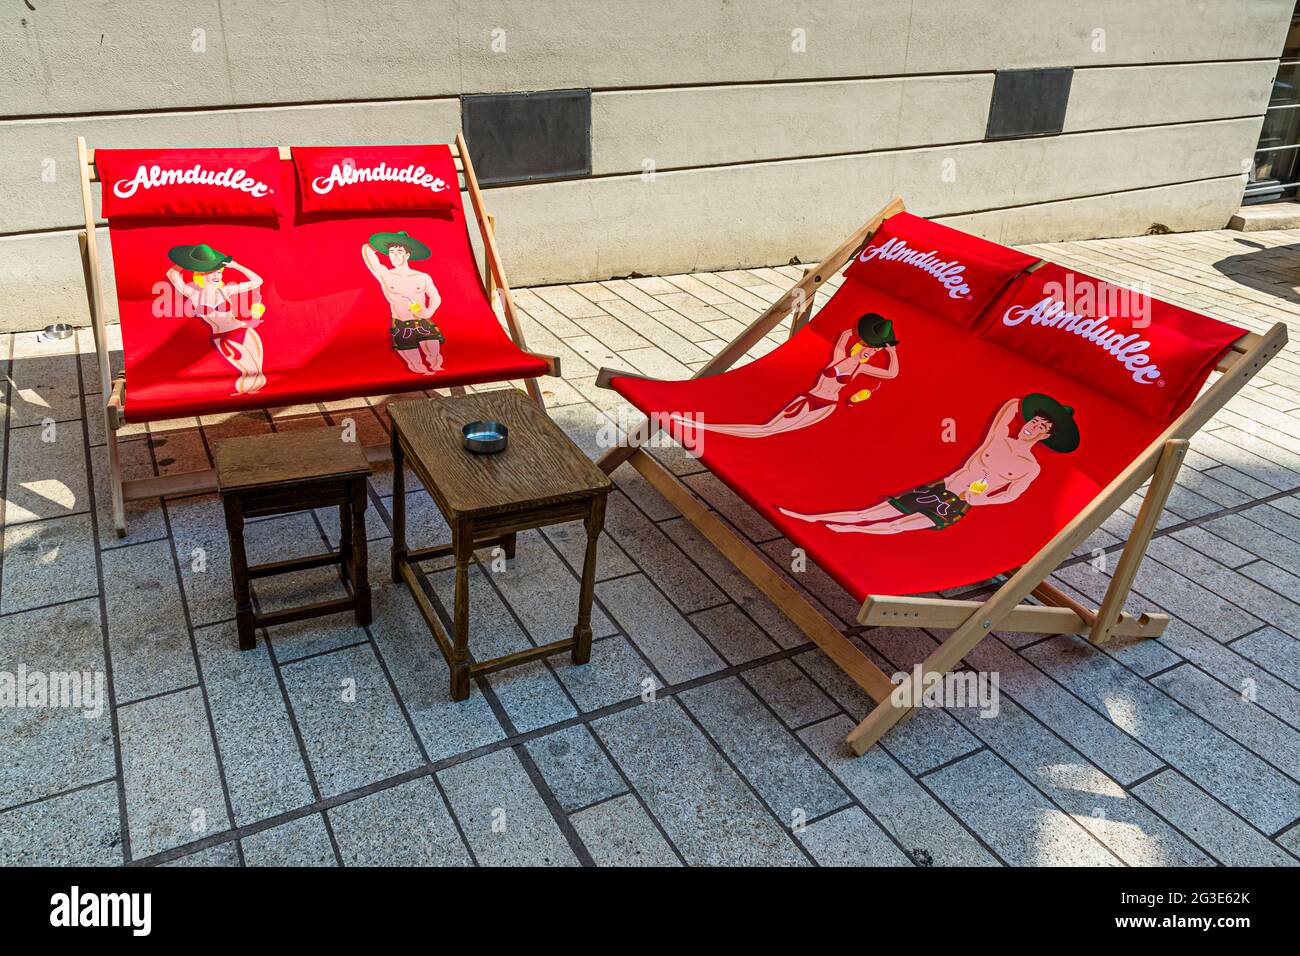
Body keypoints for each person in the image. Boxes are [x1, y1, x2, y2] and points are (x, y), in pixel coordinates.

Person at [780, 393, 1079, 534]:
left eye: (1041, 426)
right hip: (942, 487)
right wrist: (1036, 403)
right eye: (1033, 419)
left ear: (1048, 435)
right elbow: (1009, 407)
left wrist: (982, 498)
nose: (1032, 426)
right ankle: (814, 520)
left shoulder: (1030, 466)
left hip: (959, 502)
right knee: (873, 511)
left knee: (897, 525)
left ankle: (845, 531)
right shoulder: (997, 438)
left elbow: (1012, 494)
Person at [672, 314, 900, 439]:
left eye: (875, 352)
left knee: (771, 433)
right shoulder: (838, 357)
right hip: (809, 398)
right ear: (860, 344)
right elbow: (845, 334)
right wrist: (868, 332)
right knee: (766, 429)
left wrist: (891, 350)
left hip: (826, 406)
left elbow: (891, 373)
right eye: (870, 347)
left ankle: (697, 425)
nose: (871, 353)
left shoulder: (860, 369)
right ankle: (698, 425)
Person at [165, 244, 267, 395]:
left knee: (258, 372)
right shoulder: (193, 294)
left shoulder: (225, 291)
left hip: (244, 330)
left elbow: (258, 281)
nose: (216, 276)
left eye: (219, 272)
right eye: (211, 272)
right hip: (224, 338)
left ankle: (252, 398)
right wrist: (188, 260)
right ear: (199, 274)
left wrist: (237, 266)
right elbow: (171, 275)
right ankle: (245, 398)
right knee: (248, 369)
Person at [361, 230, 444, 375]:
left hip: (423, 322)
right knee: (416, 365)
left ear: (407, 255)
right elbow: (367, 252)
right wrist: (381, 243)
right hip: (401, 325)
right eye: (391, 252)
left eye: (399, 252)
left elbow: (435, 296)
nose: (395, 255)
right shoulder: (385, 275)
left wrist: (428, 311)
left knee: (436, 360)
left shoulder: (422, 276)